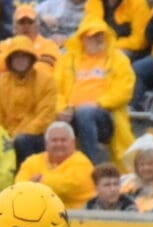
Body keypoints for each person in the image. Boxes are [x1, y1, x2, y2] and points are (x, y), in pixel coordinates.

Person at [53, 18, 129, 165]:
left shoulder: (118, 59)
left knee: (85, 112)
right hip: (70, 114)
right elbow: (55, 90)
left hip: (105, 116)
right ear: (82, 38)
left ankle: (91, 167)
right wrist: (61, 109)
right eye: (93, 35)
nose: (99, 38)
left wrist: (99, 103)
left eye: (101, 34)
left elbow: (124, 90)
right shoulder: (66, 60)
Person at [14, 118, 93, 207]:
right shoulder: (32, 161)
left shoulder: (82, 162)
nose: (58, 144)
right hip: (40, 214)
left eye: (63, 140)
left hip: (79, 216)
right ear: (46, 143)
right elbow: (19, 186)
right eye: (54, 140)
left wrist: (39, 181)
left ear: (73, 143)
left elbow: (68, 187)